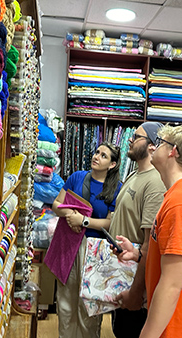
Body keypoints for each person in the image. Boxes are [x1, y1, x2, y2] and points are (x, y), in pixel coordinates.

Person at [116, 124, 182, 338]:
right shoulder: (176, 197)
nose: (154, 148)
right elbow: (173, 259)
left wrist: (147, 335)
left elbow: (172, 285)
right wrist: (138, 254)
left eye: (161, 143)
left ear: (174, 151)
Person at [52, 141, 122, 338]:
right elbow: (57, 204)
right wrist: (70, 215)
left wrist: (83, 221)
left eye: (103, 156)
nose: (96, 156)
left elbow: (109, 223)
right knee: (65, 301)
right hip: (68, 243)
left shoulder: (116, 188)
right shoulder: (77, 177)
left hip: (95, 249)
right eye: (97, 152)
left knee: (89, 304)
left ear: (112, 164)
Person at [109, 122, 166, 338]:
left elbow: (149, 244)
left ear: (152, 146)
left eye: (137, 136)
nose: (130, 140)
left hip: (135, 279)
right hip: (121, 272)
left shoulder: (155, 183)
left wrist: (136, 292)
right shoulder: (135, 174)